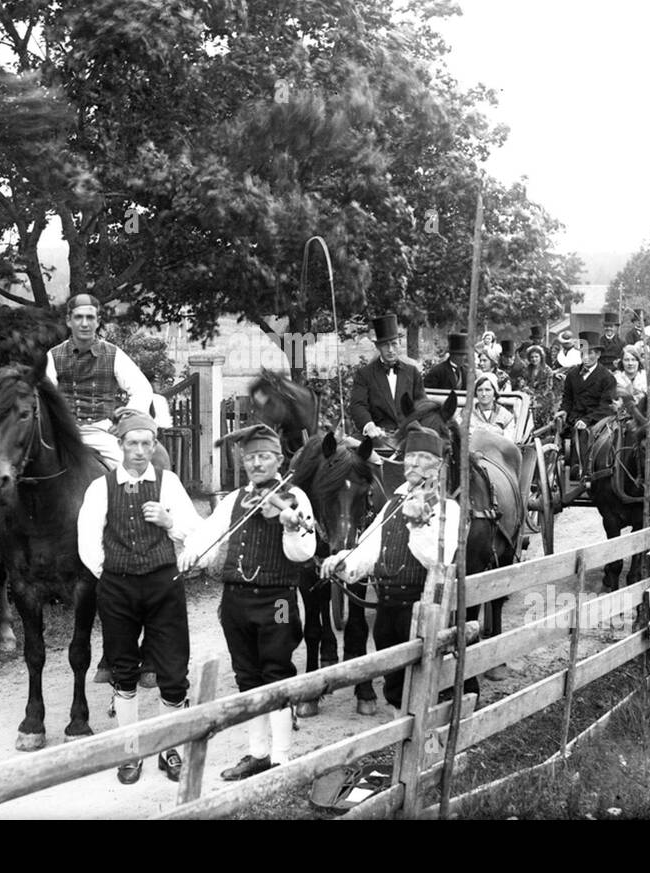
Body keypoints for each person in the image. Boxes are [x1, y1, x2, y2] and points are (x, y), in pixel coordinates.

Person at [177, 425, 315, 780]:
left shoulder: (295, 497)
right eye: (250, 457)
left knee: (277, 674)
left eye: (263, 457)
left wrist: (288, 526)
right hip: (236, 600)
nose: (256, 463)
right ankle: (257, 753)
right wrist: (192, 554)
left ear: (278, 459)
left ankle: (281, 757)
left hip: (278, 601)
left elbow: (304, 552)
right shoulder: (235, 498)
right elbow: (209, 532)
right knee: (247, 676)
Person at [78, 411, 203, 785]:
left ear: (154, 446)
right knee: (123, 669)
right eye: (132, 443)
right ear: (120, 446)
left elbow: (194, 533)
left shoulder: (169, 484)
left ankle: (171, 749)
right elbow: (87, 541)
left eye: (147, 444)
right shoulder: (101, 488)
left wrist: (169, 523)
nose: (139, 451)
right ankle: (131, 752)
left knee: (173, 669)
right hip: (118, 588)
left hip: (164, 585)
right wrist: (113, 575)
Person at [318, 430, 459, 710]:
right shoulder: (393, 503)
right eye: (410, 458)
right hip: (387, 607)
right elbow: (368, 548)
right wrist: (343, 561)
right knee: (394, 688)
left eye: (423, 459)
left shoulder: (447, 508)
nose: (414, 464)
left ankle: (429, 749)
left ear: (438, 467)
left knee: (425, 687)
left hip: (422, 610)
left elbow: (435, 560)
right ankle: (405, 747)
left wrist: (418, 526)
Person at [45, 293, 154, 468]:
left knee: (127, 470)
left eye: (90, 317)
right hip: (63, 434)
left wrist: (125, 420)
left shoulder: (114, 354)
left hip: (100, 432)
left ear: (97, 321)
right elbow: (45, 396)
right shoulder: (53, 355)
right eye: (78, 317)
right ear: (68, 321)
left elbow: (142, 389)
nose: (84, 323)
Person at [349, 314, 425, 448]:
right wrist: (369, 425)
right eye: (385, 345)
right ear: (378, 347)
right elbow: (358, 405)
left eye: (394, 344)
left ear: (400, 344)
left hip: (407, 439)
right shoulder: (364, 374)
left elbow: (421, 405)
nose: (390, 350)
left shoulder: (412, 373)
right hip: (377, 439)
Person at [557, 332, 617, 479]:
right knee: (564, 434)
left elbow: (606, 406)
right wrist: (564, 411)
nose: (586, 357)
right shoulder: (572, 374)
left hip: (597, 420)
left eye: (590, 353)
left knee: (585, 434)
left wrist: (587, 420)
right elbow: (567, 399)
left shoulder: (607, 377)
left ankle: (585, 471)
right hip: (574, 419)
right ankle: (568, 469)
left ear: (598, 355)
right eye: (583, 353)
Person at [521, 344, 556, 431]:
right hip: (529, 395)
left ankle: (541, 431)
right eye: (532, 357)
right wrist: (525, 388)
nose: (534, 359)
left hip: (544, 397)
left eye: (536, 356)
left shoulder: (547, 370)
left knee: (537, 409)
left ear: (541, 357)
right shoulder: (527, 369)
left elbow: (548, 388)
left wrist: (536, 396)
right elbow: (522, 382)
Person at [471, 372, 516, 440]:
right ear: (476, 393)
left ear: (494, 392)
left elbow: (509, 441)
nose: (483, 394)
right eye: (480, 390)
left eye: (487, 390)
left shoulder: (506, 416)